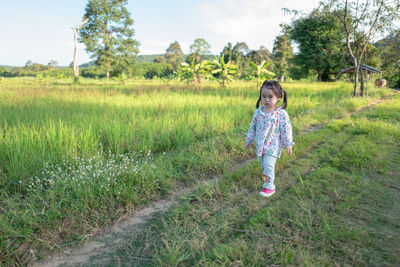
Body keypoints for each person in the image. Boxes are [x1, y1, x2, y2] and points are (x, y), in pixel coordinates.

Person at [244, 80, 294, 197]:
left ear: (278, 97)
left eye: (270, 97)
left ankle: (269, 186)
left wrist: (288, 144)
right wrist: (249, 140)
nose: (266, 99)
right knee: (264, 165)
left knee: (268, 165)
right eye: (263, 96)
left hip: (273, 146)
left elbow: (286, 129)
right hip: (260, 145)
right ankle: (267, 179)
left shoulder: (281, 114)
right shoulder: (258, 112)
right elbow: (253, 127)